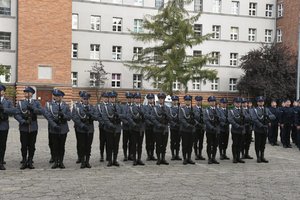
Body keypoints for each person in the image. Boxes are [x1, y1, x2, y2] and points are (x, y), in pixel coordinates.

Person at [14, 86, 43, 169]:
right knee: (23, 145)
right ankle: (24, 160)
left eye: (28, 92)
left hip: (33, 127)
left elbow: (41, 111)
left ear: (32, 94)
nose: (26, 94)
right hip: (24, 127)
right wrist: (23, 121)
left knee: (32, 145)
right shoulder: (20, 103)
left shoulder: (36, 103)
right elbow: (16, 114)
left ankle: (30, 160)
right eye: (25, 92)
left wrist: (33, 108)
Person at [44, 89, 72, 169]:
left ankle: (61, 161)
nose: (55, 97)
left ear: (61, 97)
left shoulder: (65, 106)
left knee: (62, 146)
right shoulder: (49, 105)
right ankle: (56, 161)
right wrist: (54, 125)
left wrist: (64, 116)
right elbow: (47, 116)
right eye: (54, 96)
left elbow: (69, 117)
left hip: (63, 128)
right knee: (55, 145)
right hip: (54, 128)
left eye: (57, 96)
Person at [72, 91, 97, 168]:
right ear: (81, 99)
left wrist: (91, 115)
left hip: (90, 129)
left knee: (88, 146)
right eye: (84, 98)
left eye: (87, 99)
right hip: (81, 129)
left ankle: (87, 161)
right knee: (81, 145)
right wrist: (82, 125)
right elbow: (74, 117)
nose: (85, 100)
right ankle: (82, 161)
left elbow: (96, 117)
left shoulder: (92, 107)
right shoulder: (77, 107)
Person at [101, 91, 125, 167]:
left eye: (114, 98)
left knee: (116, 145)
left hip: (117, 128)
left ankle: (115, 159)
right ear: (109, 98)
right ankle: (110, 160)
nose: (112, 99)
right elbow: (104, 117)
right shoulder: (106, 107)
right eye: (111, 98)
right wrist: (110, 124)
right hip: (109, 129)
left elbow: (124, 115)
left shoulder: (119, 106)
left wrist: (119, 116)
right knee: (109, 145)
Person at [250, 96, 275, 163]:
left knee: (263, 144)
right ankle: (258, 157)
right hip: (258, 129)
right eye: (259, 101)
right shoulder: (254, 110)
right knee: (258, 143)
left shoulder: (266, 109)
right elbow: (254, 119)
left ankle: (262, 156)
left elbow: (273, 116)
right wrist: (261, 125)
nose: (261, 103)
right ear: (257, 102)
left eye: (262, 101)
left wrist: (268, 117)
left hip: (265, 129)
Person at [228, 97, 251, 164]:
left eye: (239, 103)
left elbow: (248, 117)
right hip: (235, 130)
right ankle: (234, 157)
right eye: (237, 103)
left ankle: (238, 157)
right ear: (234, 103)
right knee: (235, 144)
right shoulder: (231, 110)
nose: (238, 104)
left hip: (242, 130)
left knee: (240, 144)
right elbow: (230, 120)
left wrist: (244, 116)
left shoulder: (243, 110)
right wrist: (238, 126)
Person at [151, 92, 170, 165]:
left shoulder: (167, 108)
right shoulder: (155, 108)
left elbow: (170, 118)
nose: (161, 100)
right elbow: (153, 118)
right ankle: (158, 158)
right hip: (158, 129)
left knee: (164, 144)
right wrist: (159, 125)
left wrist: (166, 114)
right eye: (160, 98)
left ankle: (163, 158)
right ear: (158, 99)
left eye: (162, 98)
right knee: (158, 144)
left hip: (165, 129)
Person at [0, 85, 16, 170]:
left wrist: (4, 109)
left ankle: (1, 161)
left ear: (4, 92)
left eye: (1, 91)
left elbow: (13, 110)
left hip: (3, 125)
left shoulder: (8, 101)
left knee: (2, 144)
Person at [128, 92, 145, 166]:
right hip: (134, 129)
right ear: (134, 99)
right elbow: (129, 117)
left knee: (140, 145)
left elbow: (146, 116)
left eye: (139, 98)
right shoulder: (131, 107)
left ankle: (139, 159)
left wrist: (143, 115)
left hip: (141, 129)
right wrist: (134, 124)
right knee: (134, 144)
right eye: (136, 98)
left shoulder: (143, 107)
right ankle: (134, 159)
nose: (138, 100)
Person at [179, 95, 196, 165]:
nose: (188, 101)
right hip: (185, 130)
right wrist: (188, 125)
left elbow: (196, 118)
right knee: (185, 145)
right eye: (186, 100)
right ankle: (185, 158)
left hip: (191, 131)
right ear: (185, 101)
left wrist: (194, 122)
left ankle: (189, 158)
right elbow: (181, 119)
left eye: (189, 100)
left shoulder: (193, 109)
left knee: (190, 145)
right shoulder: (182, 109)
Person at [203, 96, 220, 164]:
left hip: (216, 130)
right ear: (209, 102)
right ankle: (209, 158)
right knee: (209, 144)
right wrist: (212, 128)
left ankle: (213, 157)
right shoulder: (206, 110)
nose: (213, 103)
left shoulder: (218, 110)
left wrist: (217, 127)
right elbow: (206, 120)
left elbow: (220, 119)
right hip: (210, 130)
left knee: (215, 145)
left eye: (214, 101)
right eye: (211, 101)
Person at [143, 93, 156, 161]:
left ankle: (152, 154)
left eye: (152, 99)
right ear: (148, 100)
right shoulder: (145, 107)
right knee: (148, 142)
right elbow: (145, 116)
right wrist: (151, 122)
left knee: (153, 142)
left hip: (154, 127)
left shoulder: (156, 107)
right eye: (150, 99)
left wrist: (154, 122)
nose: (151, 100)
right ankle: (148, 155)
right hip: (148, 127)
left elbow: (157, 116)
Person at [169, 95, 182, 161]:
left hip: (179, 128)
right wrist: (174, 124)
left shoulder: (180, 109)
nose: (175, 102)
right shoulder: (170, 109)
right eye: (173, 100)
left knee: (178, 142)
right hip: (173, 128)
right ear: (172, 101)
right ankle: (173, 154)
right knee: (172, 141)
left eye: (176, 100)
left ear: (177, 101)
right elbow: (169, 118)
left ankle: (177, 154)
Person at [121, 92, 133, 161]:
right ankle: (125, 155)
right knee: (125, 142)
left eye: (130, 98)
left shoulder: (133, 106)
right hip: (125, 127)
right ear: (126, 99)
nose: (129, 99)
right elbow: (122, 116)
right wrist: (126, 122)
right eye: (128, 98)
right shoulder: (123, 107)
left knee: (131, 142)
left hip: (132, 127)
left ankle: (130, 155)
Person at [193, 96, 205, 160]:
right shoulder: (193, 109)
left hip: (201, 128)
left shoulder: (203, 109)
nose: (199, 102)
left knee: (201, 142)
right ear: (196, 101)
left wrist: (203, 124)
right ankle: (196, 154)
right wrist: (198, 123)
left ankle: (200, 154)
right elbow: (192, 118)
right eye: (197, 101)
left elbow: (205, 118)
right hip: (196, 128)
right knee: (195, 142)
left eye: (200, 101)